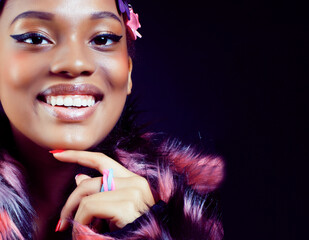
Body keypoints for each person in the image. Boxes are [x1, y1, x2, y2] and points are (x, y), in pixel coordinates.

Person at [0, 0, 224, 239]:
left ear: (127, 72)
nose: (75, 64)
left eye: (102, 39)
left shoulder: (200, 218)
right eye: (35, 38)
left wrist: (149, 231)